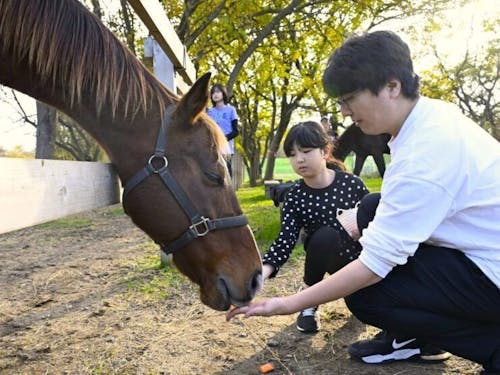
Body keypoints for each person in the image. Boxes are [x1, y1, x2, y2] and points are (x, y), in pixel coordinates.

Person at [227, 31, 500, 375]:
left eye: (350, 97)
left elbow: (374, 265)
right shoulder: (427, 120)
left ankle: (491, 346)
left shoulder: (425, 154)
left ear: (392, 86)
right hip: (478, 248)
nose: (343, 111)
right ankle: (410, 337)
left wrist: (287, 303)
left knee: (367, 296)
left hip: (491, 272)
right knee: (372, 208)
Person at [261, 121, 369, 333]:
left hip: (360, 262)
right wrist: (262, 272)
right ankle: (309, 301)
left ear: (325, 151)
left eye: (306, 151)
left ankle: (360, 290)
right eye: (292, 154)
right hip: (324, 257)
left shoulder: (352, 185)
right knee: (325, 236)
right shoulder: (294, 196)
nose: (299, 159)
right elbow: (286, 239)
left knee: (366, 309)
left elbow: (375, 224)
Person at [207, 84, 239, 176]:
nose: (215, 95)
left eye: (217, 92)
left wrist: (223, 139)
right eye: (213, 93)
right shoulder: (210, 112)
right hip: (213, 149)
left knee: (227, 174)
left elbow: (236, 131)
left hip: (226, 149)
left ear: (223, 93)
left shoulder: (231, 110)